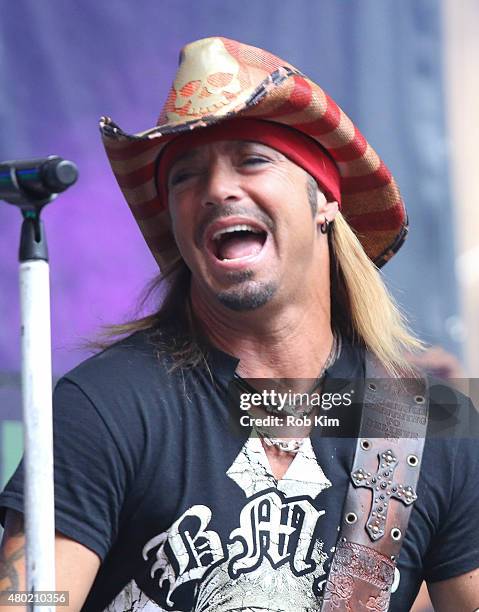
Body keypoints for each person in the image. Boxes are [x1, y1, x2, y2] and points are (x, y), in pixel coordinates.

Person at [0, 36, 478, 612]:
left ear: (324, 198)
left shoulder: (428, 421)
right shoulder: (103, 407)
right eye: (185, 176)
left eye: (253, 159)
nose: (217, 189)